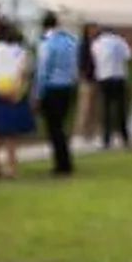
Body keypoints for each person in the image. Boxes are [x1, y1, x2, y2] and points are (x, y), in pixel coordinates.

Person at [0, 23, 37, 179]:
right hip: (12, 91)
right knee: (10, 135)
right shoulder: (20, 52)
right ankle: (10, 168)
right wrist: (16, 91)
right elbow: (23, 72)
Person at [34, 13, 79, 176]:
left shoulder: (46, 43)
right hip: (67, 87)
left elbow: (43, 70)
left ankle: (61, 164)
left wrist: (37, 93)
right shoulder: (70, 41)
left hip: (52, 87)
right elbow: (75, 66)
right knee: (61, 125)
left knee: (54, 128)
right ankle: (65, 160)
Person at [91, 26, 132, 149]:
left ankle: (106, 140)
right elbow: (128, 56)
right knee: (120, 109)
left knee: (106, 109)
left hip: (103, 78)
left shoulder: (97, 43)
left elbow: (95, 58)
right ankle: (125, 139)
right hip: (119, 76)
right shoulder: (119, 41)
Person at [74, 21, 100, 146]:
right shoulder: (84, 44)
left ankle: (92, 132)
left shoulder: (97, 43)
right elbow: (80, 62)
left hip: (96, 78)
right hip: (86, 79)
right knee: (84, 107)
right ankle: (81, 132)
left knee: (94, 108)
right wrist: (81, 75)